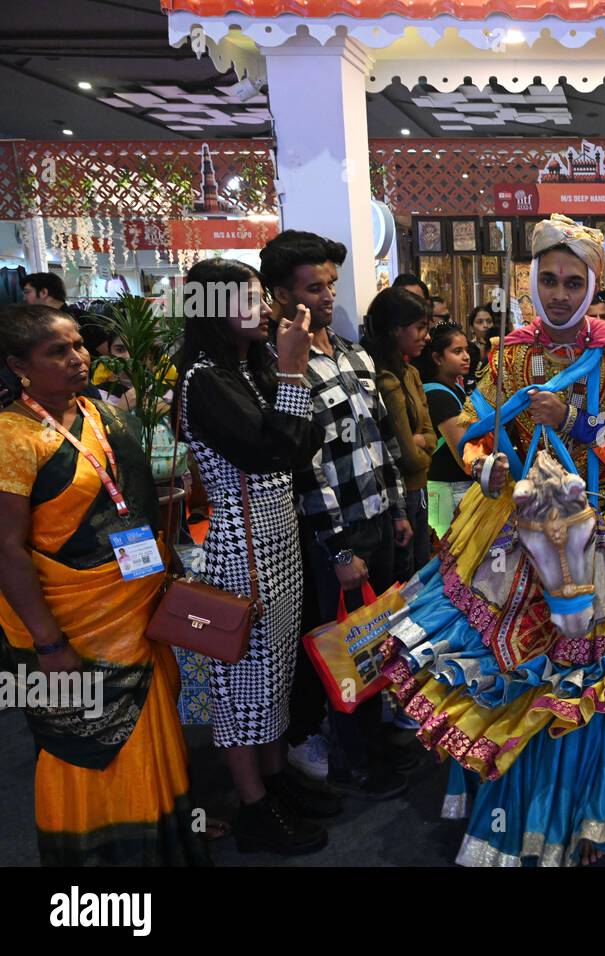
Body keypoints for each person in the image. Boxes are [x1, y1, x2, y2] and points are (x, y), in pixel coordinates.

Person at [372, 213, 605, 866]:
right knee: (513, 663)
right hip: (518, 512)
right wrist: (483, 463)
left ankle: (590, 800)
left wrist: (580, 422)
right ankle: (520, 795)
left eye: (572, 281)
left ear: (593, 285)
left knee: (593, 667)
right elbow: (472, 424)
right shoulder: (509, 351)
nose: (558, 294)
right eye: (548, 280)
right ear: (531, 280)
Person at [0, 304, 209, 865]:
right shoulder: (12, 439)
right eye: (57, 352)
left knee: (156, 726)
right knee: (84, 747)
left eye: (78, 345)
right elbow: (6, 551)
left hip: (135, 606)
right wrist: (48, 642)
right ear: (20, 366)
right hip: (67, 623)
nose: (78, 358)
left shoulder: (104, 417)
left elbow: (134, 508)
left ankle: (169, 844)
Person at [176, 259, 335, 853]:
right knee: (244, 687)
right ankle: (252, 807)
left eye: (261, 297)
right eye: (249, 298)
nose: (265, 309)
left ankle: (274, 782)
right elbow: (279, 451)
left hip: (279, 542)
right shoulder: (204, 380)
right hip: (241, 550)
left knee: (276, 678)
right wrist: (292, 367)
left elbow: (306, 436)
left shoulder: (247, 367)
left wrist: (286, 370)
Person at [261, 236, 413, 800]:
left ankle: (375, 742)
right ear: (280, 295)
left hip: (379, 518)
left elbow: (382, 442)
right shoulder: (281, 369)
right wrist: (339, 547)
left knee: (380, 641)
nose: (328, 296)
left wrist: (398, 510)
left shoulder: (354, 354)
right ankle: (354, 759)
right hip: (337, 531)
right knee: (345, 648)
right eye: (313, 287)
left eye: (330, 284)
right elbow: (304, 465)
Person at [364, 287, 436, 583]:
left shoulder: (412, 373)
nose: (427, 336)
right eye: (420, 328)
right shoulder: (385, 380)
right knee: (407, 578)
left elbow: (431, 435)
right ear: (395, 330)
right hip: (400, 495)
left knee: (421, 569)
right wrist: (420, 445)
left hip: (419, 491)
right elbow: (406, 456)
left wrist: (422, 441)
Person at [421, 322, 473, 538]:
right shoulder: (439, 396)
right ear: (437, 358)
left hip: (454, 488)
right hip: (448, 490)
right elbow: (464, 456)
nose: (466, 357)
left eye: (467, 350)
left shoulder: (454, 388)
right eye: (457, 351)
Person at [462, 302, 496, 395]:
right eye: (480, 322)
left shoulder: (499, 349)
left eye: (489, 321)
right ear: (472, 328)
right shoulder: (467, 349)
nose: (485, 325)